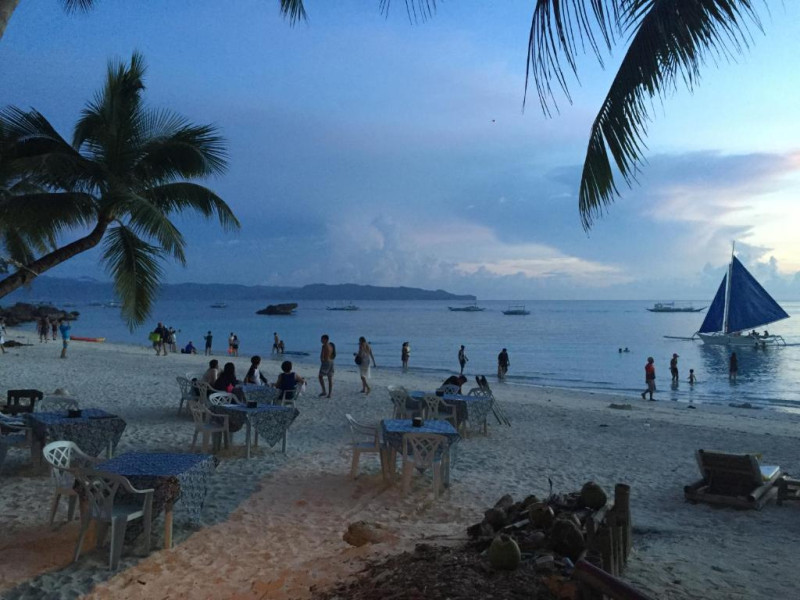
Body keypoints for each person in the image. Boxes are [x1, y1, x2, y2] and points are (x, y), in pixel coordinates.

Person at [318, 334, 334, 398]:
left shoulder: (324, 346)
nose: (321, 340)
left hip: (326, 362)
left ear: (326, 339)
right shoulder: (331, 345)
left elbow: (322, 356)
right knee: (330, 378)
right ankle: (330, 394)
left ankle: (324, 391)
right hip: (331, 361)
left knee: (320, 376)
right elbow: (333, 354)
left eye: (322, 339)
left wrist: (322, 360)